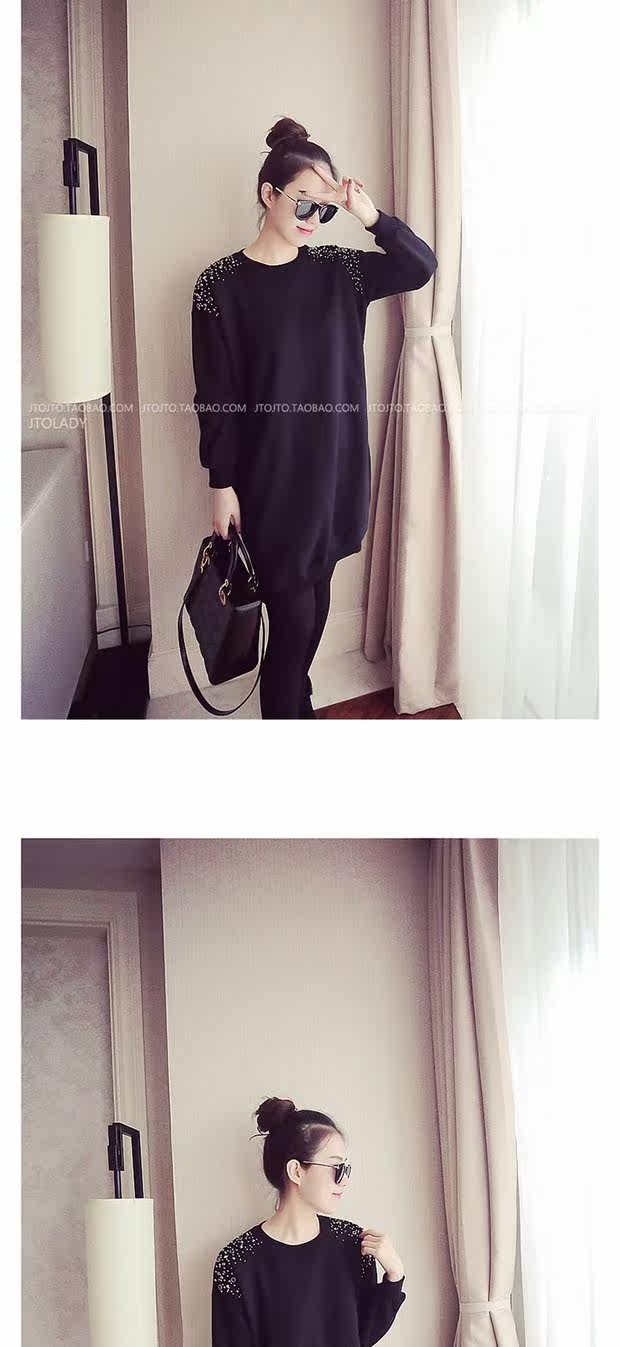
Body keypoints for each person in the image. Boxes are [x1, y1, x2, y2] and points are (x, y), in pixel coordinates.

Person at [191, 116, 438, 719]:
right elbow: (215, 397)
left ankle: (295, 708)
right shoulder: (218, 287)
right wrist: (220, 483)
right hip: (270, 482)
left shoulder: (339, 271)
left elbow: (420, 266)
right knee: (292, 628)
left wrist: (368, 215)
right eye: (304, 202)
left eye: (324, 209)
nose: (313, 219)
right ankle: (290, 717)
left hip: (334, 473)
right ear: (268, 193)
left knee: (311, 610)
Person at [211, 1096, 406, 1347]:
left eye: (346, 1169)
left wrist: (394, 1275)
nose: (345, 1180)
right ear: (296, 1171)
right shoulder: (236, 1261)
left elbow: (362, 1336)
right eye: (336, 1168)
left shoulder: (351, 1243)